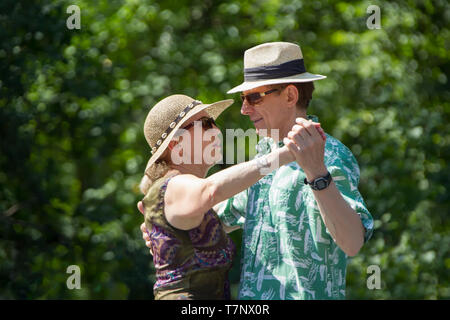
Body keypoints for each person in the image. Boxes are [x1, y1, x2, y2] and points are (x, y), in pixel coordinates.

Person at [140, 42, 374, 300]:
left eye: (254, 97)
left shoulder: (331, 155)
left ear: (290, 96)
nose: (244, 109)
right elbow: (210, 217)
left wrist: (318, 174)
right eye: (243, 99)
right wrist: (165, 230)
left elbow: (352, 243)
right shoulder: (263, 157)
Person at [139, 93, 314, 300]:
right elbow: (210, 191)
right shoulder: (172, 185)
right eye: (204, 124)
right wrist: (288, 152)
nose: (215, 130)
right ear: (175, 143)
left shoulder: (181, 192)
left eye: (212, 122)